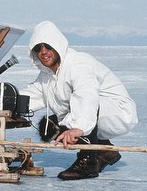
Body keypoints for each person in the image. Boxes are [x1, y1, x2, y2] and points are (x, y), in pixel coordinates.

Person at [20, 21, 138, 180]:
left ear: (57, 45)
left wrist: (77, 127)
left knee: (83, 107)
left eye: (47, 46)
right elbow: (34, 94)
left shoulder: (78, 63)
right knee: (49, 126)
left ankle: (88, 161)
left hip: (117, 112)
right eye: (38, 48)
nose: (43, 52)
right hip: (95, 114)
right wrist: (4, 101)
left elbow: (87, 94)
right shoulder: (47, 75)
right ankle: (104, 150)